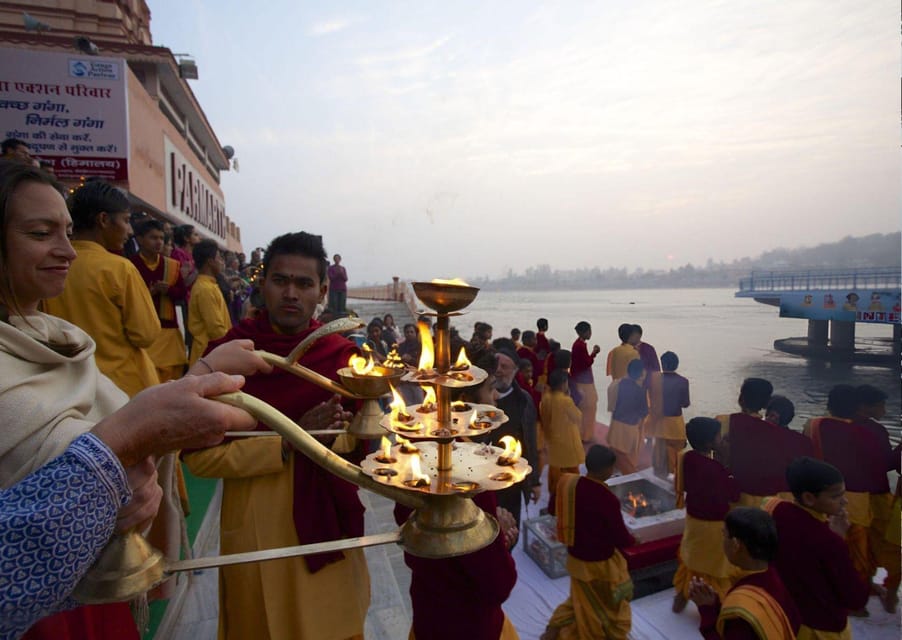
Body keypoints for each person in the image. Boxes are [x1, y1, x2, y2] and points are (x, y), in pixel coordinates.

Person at [0, 161, 268, 639]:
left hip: (88, 593)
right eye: (41, 233)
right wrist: (127, 438)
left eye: (64, 231)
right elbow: (143, 335)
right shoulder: (118, 270)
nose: (66, 252)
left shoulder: (56, 337)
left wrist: (201, 373)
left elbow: (104, 439)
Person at [183, 231, 370, 640]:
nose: (291, 293)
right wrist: (289, 439)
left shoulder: (343, 359)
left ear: (322, 291)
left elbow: (364, 448)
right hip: (256, 529)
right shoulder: (231, 355)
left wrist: (328, 437)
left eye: (304, 284)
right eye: (280, 280)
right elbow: (198, 457)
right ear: (261, 282)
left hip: (326, 528)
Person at [43, 179, 161, 398]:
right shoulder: (119, 268)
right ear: (104, 220)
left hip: (69, 387)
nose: (130, 230)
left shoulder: (51, 266)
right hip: (122, 387)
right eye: (126, 221)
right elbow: (145, 334)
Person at [804, 384, 895, 609]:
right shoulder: (867, 434)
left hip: (821, 496)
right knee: (857, 552)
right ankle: (857, 599)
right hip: (857, 499)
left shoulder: (815, 425)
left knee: (829, 547)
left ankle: (830, 589)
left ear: (828, 404)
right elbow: (880, 466)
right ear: (857, 408)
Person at [764, 458, 870, 637]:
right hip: (820, 628)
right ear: (808, 498)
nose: (844, 501)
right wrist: (839, 538)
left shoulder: (774, 508)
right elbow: (856, 599)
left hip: (783, 614)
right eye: (835, 496)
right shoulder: (830, 540)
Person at [393, 491, 520, 640]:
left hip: (428, 617)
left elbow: (405, 521)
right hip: (469, 627)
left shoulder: (409, 476)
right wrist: (495, 534)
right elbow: (498, 585)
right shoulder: (474, 488)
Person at [541, 446, 635, 640]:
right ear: (608, 470)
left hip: (576, 557)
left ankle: (553, 628)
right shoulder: (607, 498)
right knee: (605, 601)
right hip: (599, 563)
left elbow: (552, 509)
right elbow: (621, 538)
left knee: (581, 597)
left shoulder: (567, 483)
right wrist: (635, 540)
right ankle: (596, 632)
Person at [689, 508, 801, 639]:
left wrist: (707, 610)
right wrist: (715, 606)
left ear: (736, 545)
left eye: (724, 535)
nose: (723, 541)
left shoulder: (741, 606)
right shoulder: (776, 575)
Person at [672, 417, 740, 613]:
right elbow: (733, 494)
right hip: (713, 526)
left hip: (693, 522)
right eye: (719, 437)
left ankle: (680, 599)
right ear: (710, 443)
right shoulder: (715, 469)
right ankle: (718, 609)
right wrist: (727, 465)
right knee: (715, 569)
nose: (721, 441)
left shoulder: (688, 458)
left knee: (692, 563)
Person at [716, 378, 812, 506]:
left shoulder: (723, 422)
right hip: (770, 502)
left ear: (740, 398)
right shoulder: (783, 436)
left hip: (732, 494)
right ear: (766, 404)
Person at [480, 341, 540, 536]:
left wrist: (534, 481)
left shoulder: (524, 400)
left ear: (515, 371)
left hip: (511, 479)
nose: (499, 371)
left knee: (510, 527)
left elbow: (530, 441)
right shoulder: (481, 398)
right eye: (496, 366)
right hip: (484, 477)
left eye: (505, 367)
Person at [854, 385, 900, 613]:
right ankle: (886, 593)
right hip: (876, 494)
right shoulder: (876, 431)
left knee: (859, 544)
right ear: (866, 406)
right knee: (883, 542)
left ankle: (863, 584)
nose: (884, 409)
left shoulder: (843, 426)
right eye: (881, 404)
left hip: (853, 494)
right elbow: (888, 463)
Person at [130, 219, 188, 383]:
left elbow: (182, 294)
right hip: (144, 331)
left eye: (161, 238)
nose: (159, 242)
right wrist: (150, 292)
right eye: (153, 238)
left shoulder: (172, 266)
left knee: (172, 379)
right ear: (140, 239)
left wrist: (168, 290)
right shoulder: (130, 265)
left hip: (169, 331)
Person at [540, 369, 585, 516]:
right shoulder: (566, 400)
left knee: (555, 476)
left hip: (553, 442)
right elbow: (577, 417)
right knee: (572, 475)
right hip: (567, 443)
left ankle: (554, 504)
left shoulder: (546, 398)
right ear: (564, 384)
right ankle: (569, 504)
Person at [187, 239, 231, 365]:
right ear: (210, 262)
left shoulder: (209, 285)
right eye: (219, 257)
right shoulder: (205, 289)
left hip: (212, 353)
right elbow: (216, 330)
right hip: (208, 355)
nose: (222, 262)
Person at [647, 350, 689, 476]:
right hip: (675, 425)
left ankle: (659, 484)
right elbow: (685, 403)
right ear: (676, 364)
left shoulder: (653, 379)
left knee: (660, 460)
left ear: (662, 364)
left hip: (659, 424)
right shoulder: (683, 381)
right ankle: (676, 486)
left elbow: (650, 400)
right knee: (676, 461)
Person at [607, 359, 648, 475]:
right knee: (629, 460)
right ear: (640, 374)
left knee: (615, 453)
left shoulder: (616, 384)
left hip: (615, 424)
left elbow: (611, 405)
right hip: (630, 427)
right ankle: (630, 477)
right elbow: (644, 412)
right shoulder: (640, 391)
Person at [570, 321, 601, 443]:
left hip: (581, 379)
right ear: (584, 332)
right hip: (583, 381)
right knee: (589, 407)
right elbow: (585, 363)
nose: (590, 333)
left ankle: (584, 433)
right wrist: (594, 353)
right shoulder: (580, 346)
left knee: (587, 407)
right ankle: (585, 435)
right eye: (589, 331)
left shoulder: (579, 344)